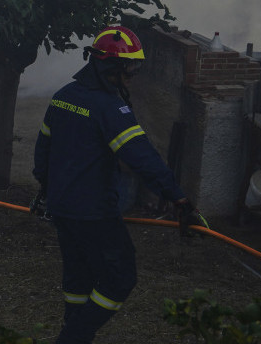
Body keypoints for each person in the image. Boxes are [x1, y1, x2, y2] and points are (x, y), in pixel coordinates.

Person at [32, 25, 200, 344]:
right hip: (94, 212)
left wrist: (46, 188)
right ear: (110, 67)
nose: (133, 75)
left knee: (78, 276)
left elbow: (43, 150)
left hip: (61, 208)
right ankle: (72, 338)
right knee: (120, 278)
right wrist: (179, 199)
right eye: (130, 67)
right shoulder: (110, 108)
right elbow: (142, 159)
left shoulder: (63, 96)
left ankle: (73, 331)